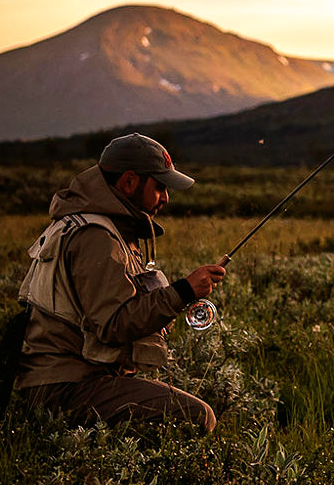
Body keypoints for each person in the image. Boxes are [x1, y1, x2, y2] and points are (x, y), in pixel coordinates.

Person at [15, 133, 228, 434]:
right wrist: (183, 291)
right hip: (63, 390)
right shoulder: (96, 236)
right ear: (129, 182)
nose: (165, 198)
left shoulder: (98, 226)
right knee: (197, 417)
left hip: (69, 381)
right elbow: (113, 324)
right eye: (159, 187)